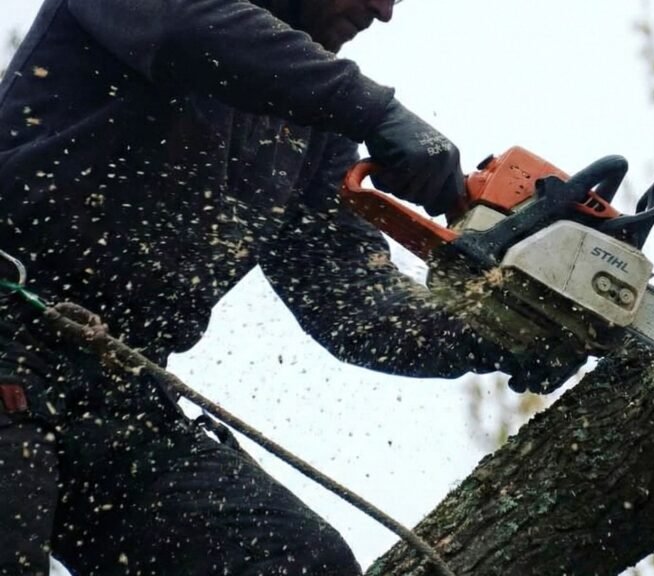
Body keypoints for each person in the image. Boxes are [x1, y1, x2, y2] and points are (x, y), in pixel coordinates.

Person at [0, 1, 546, 574]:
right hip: (12, 332)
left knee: (298, 560)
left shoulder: (309, 125)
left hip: (123, 396)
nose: (383, 11)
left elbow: (352, 300)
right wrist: (377, 111)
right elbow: (189, 31)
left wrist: (493, 327)